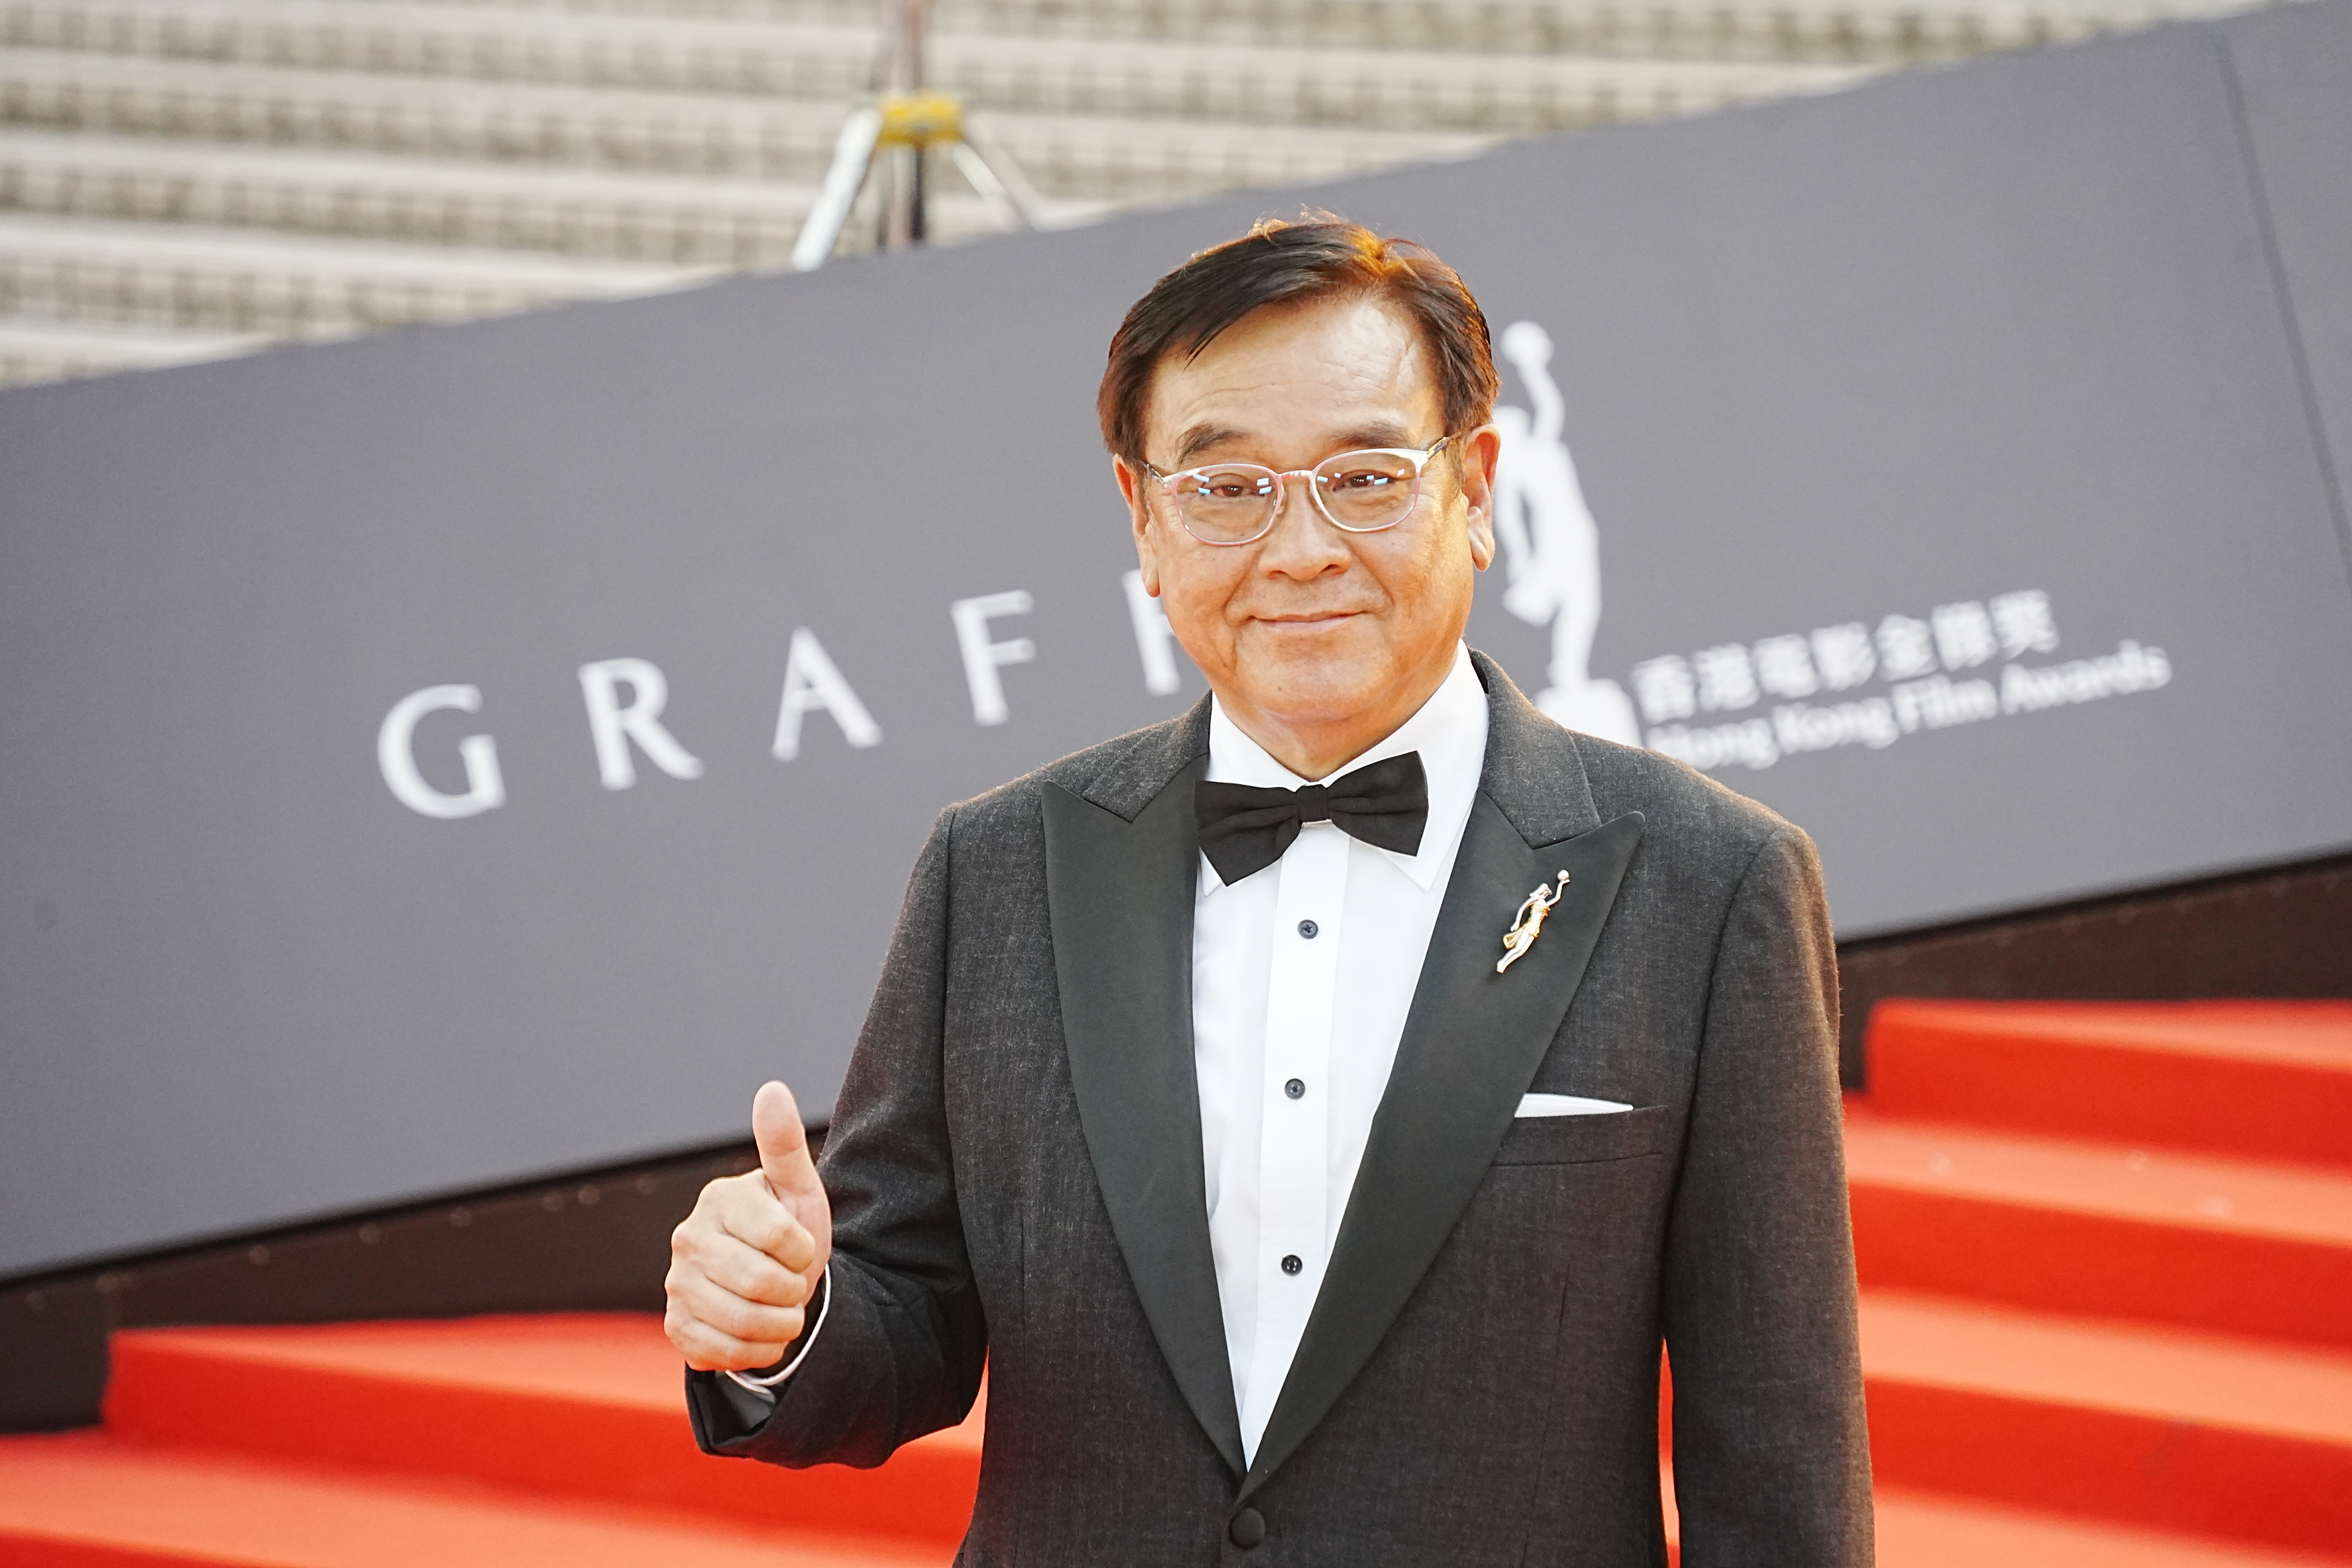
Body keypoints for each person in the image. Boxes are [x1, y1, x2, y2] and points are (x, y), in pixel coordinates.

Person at [663, 217, 1872, 1566]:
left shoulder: (1711, 884)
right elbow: (906, 1324)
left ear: (1476, 490)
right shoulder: (995, 869)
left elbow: (1779, 1467)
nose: (1300, 550)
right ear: (1144, 520)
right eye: (1227, 487)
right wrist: (786, 1317)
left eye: (1364, 477)